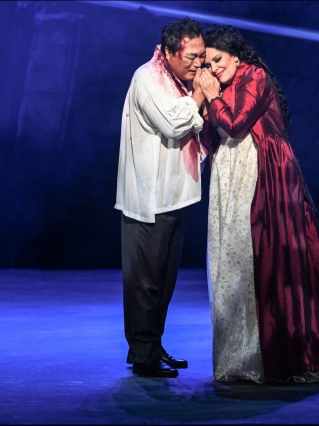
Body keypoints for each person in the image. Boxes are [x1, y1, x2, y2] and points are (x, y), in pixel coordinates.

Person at [197, 26, 319, 383]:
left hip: (265, 173)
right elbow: (209, 133)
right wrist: (205, 101)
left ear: (236, 55)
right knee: (231, 264)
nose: (214, 68)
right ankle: (238, 358)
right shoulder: (220, 84)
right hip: (229, 177)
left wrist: (211, 96)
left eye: (218, 59)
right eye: (207, 63)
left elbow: (234, 124)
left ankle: (271, 354)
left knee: (264, 260)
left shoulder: (255, 76)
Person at [115, 18, 207, 378]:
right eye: (192, 56)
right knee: (144, 280)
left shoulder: (175, 80)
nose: (198, 63)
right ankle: (143, 354)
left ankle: (150, 347)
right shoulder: (148, 78)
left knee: (164, 279)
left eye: (202, 55)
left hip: (175, 195)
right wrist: (199, 95)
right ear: (169, 51)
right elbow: (173, 124)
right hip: (150, 197)